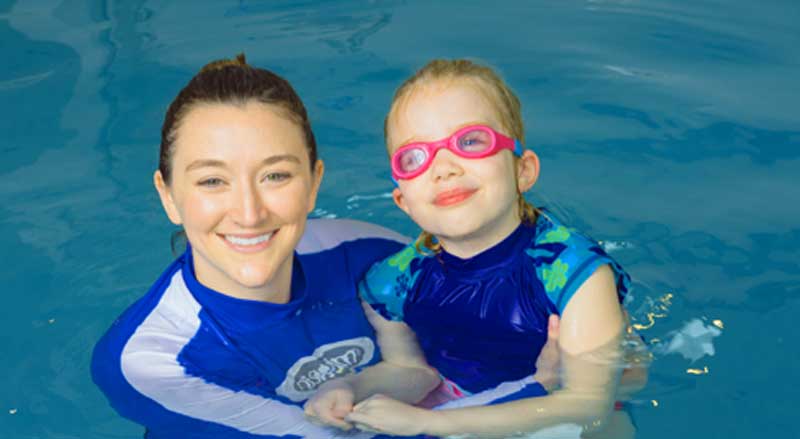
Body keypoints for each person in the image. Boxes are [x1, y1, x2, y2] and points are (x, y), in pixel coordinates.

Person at [90, 54, 444, 439]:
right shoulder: (153, 361)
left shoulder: (369, 255)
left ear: (313, 183)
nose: (249, 213)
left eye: (275, 175)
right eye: (212, 181)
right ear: (168, 196)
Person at [305, 59, 643, 438]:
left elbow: (587, 403)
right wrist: (348, 388)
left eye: (470, 141)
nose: (444, 167)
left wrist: (434, 422)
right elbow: (413, 372)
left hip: (562, 408)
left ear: (523, 171)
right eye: (414, 157)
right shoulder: (392, 284)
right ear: (404, 201)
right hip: (465, 405)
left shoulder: (571, 275)